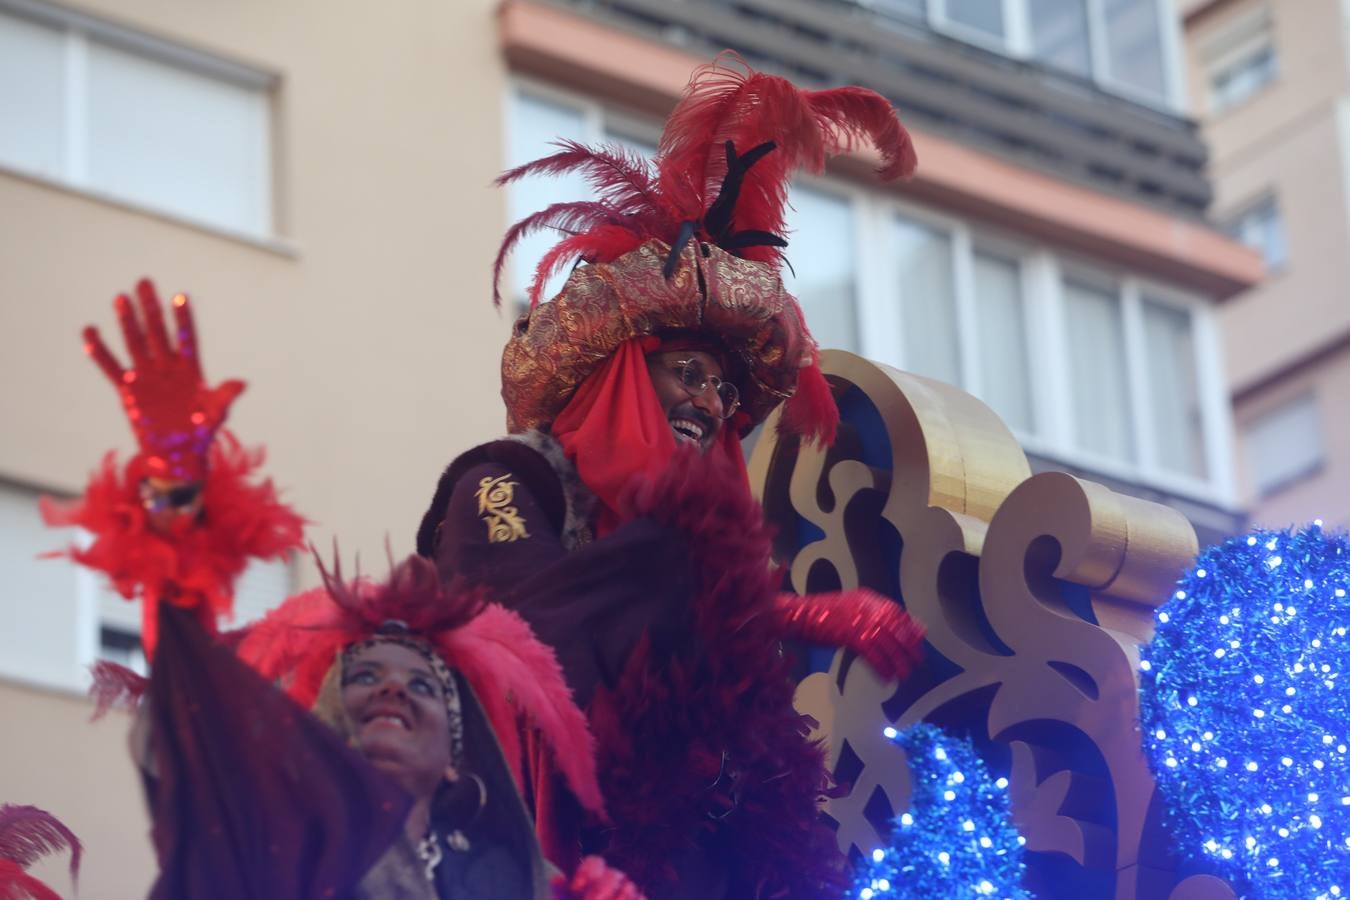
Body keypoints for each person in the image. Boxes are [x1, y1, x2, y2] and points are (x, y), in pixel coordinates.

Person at [413, 54, 928, 897]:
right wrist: (791, 610)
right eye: (687, 371)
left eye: (726, 390)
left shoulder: (696, 556)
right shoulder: (504, 482)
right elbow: (539, 631)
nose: (710, 402)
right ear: (620, 369)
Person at [44, 283, 642, 899]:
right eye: (364, 677)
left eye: (422, 684)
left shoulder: (520, 884)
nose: (391, 688)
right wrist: (176, 500)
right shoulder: (266, 846)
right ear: (323, 728)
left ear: (461, 754)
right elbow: (194, 706)